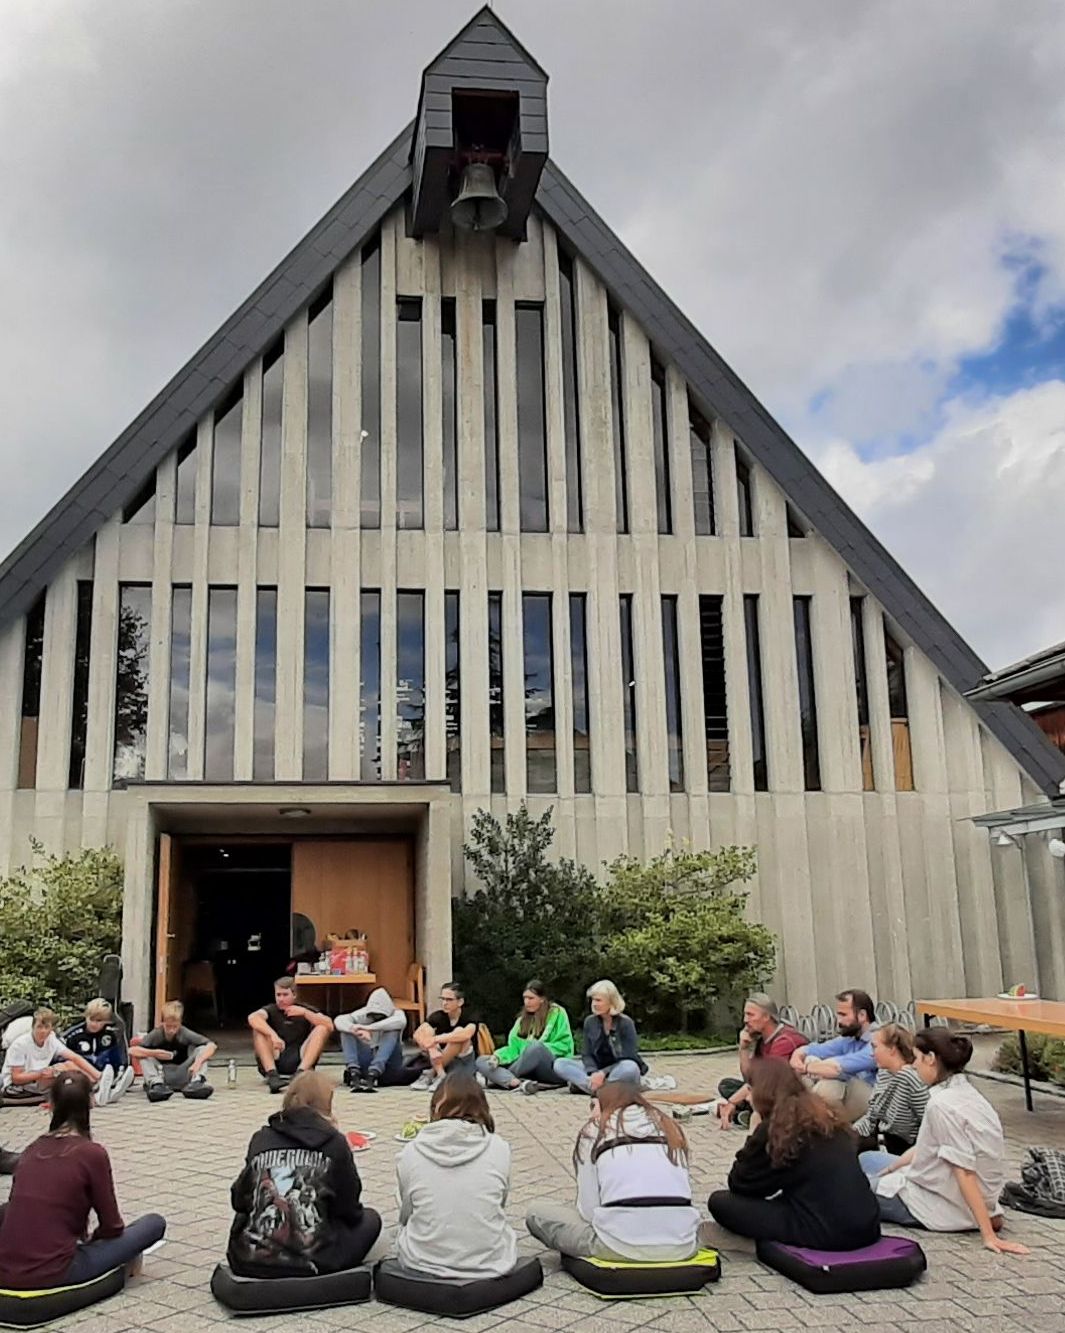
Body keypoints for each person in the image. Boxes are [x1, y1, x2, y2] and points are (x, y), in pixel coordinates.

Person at [859, 1029, 1029, 1255]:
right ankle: (977, 1215)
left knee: (845, 1191)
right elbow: (927, 1146)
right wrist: (890, 1169)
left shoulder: (941, 1106)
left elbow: (964, 1171)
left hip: (934, 1204)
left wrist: (988, 1235)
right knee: (869, 1159)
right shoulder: (969, 1094)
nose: (914, 1066)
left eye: (918, 1059)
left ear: (930, 1059)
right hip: (948, 1186)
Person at [0, 1071, 166, 1289]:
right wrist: (92, 1242)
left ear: (50, 1104)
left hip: (6, 1270)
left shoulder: (32, 1150)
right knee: (154, 1223)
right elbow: (112, 1226)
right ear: (90, 1103)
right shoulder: (92, 1153)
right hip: (57, 1271)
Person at [707, 1059, 881, 1250]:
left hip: (829, 1232)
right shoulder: (827, 1115)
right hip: (867, 1225)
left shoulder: (775, 1127)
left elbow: (741, 1184)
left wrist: (753, 1132)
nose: (748, 1099)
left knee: (720, 1202)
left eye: (750, 1090)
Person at [228, 1071, 381, 1277]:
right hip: (312, 1258)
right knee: (372, 1220)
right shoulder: (335, 1143)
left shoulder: (261, 1139)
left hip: (249, 1258)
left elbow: (239, 1200)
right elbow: (349, 1210)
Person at [526, 1081, 700, 1261]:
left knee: (536, 1213)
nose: (590, 1114)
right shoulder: (670, 1128)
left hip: (619, 1246)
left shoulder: (595, 1130)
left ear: (601, 1104)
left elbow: (588, 1212)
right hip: (682, 1246)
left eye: (593, 1106)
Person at [394, 1074, 518, 1279]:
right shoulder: (500, 1148)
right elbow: (500, 1203)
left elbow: (406, 1213)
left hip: (421, 1263)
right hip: (492, 1264)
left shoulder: (410, 1152)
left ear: (434, 1109)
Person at [717, 994, 808, 1129]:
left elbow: (767, 1081)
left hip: (791, 1092)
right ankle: (747, 1112)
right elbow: (749, 1078)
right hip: (768, 1087)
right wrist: (744, 1048)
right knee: (727, 1085)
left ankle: (750, 1114)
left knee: (753, 1093)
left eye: (750, 1015)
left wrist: (732, 1102)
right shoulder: (763, 1040)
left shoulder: (784, 1041)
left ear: (766, 1017)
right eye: (745, 1015)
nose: (745, 1020)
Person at [788, 988, 877, 1121]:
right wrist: (798, 1056)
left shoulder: (879, 1039)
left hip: (874, 1099)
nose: (839, 1021)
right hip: (853, 1098)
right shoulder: (849, 1038)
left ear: (862, 1015)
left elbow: (837, 1068)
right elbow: (811, 1049)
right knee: (806, 1076)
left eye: (843, 1015)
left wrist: (806, 1067)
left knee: (829, 1085)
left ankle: (829, 1128)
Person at [475, 980, 573, 1094]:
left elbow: (564, 1045)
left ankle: (502, 1078)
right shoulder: (522, 1019)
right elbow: (513, 1048)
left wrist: (531, 1052)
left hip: (549, 1066)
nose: (527, 1002)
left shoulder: (558, 1014)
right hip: (524, 1067)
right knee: (482, 1060)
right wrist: (498, 1057)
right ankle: (516, 1082)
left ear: (542, 999)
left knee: (535, 1047)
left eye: (531, 998)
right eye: (525, 998)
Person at [553, 981, 646, 1095]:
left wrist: (603, 1073)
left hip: (618, 1069)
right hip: (596, 1069)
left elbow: (629, 1056)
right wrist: (593, 1073)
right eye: (592, 1000)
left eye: (598, 1000)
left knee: (630, 1067)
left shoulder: (625, 1023)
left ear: (611, 1001)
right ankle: (602, 1090)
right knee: (560, 1064)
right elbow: (587, 1054)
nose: (594, 1004)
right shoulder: (590, 1022)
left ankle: (590, 1087)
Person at [853, 1024, 929, 1155]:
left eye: (875, 1047)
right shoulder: (884, 1073)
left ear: (892, 1049)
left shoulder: (910, 1077)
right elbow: (871, 1117)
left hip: (901, 1146)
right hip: (878, 1136)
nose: (872, 1053)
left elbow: (929, 1120)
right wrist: (850, 1134)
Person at [248, 978, 333, 1094]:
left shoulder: (304, 1009)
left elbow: (329, 1025)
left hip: (300, 1057)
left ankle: (300, 1074)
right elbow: (253, 1017)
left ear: (294, 995)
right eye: (278, 995)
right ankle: (272, 1076)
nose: (281, 999)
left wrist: (305, 1013)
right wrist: (273, 1035)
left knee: (322, 1028)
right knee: (258, 1030)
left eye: (285, 995)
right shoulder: (271, 1009)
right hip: (276, 1055)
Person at [1, 1008, 102, 1103]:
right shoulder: (20, 1045)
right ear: (33, 1027)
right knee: (66, 1070)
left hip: (39, 1078)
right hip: (19, 1086)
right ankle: (94, 1089)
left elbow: (74, 1057)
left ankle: (99, 1082)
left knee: (69, 1064)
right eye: (39, 1027)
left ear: (51, 1028)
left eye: (46, 1027)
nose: (43, 1031)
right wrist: (41, 1074)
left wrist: (98, 1075)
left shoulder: (51, 1040)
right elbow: (16, 1078)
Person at [129, 1001, 217, 1103]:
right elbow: (132, 1050)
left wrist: (197, 1063)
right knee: (143, 1054)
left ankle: (196, 1082)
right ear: (162, 1023)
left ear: (180, 1023)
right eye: (168, 1026)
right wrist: (155, 1053)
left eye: (175, 1027)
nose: (171, 1030)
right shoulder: (156, 1034)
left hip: (184, 1073)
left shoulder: (184, 1033)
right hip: (162, 1075)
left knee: (202, 1050)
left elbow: (212, 1045)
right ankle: (156, 1085)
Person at [410, 982, 480, 1093]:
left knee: (458, 1033)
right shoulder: (438, 1016)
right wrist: (432, 1049)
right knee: (426, 1030)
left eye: (449, 1000)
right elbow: (418, 1034)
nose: (444, 1003)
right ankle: (441, 1074)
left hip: (462, 1061)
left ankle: (433, 1072)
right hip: (442, 1059)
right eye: (442, 999)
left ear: (460, 1002)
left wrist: (435, 1039)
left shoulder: (470, 1015)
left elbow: (466, 1034)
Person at [63, 999, 135, 1106]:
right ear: (86, 1017)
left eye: (99, 1021)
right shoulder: (74, 1036)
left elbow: (115, 1056)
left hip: (104, 1071)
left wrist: (119, 1068)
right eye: (92, 1019)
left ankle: (110, 1090)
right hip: (83, 1075)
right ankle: (107, 1092)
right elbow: (66, 1058)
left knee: (111, 1066)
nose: (94, 1024)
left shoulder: (109, 1035)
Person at [335, 987, 406, 1093]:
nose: (376, 1018)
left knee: (392, 1030)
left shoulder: (397, 1014)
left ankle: (375, 1071)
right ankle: (354, 1070)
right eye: (373, 1016)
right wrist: (354, 1029)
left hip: (389, 1064)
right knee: (346, 1031)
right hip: (367, 1059)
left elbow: (400, 1022)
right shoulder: (361, 1014)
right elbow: (339, 1020)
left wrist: (369, 1028)